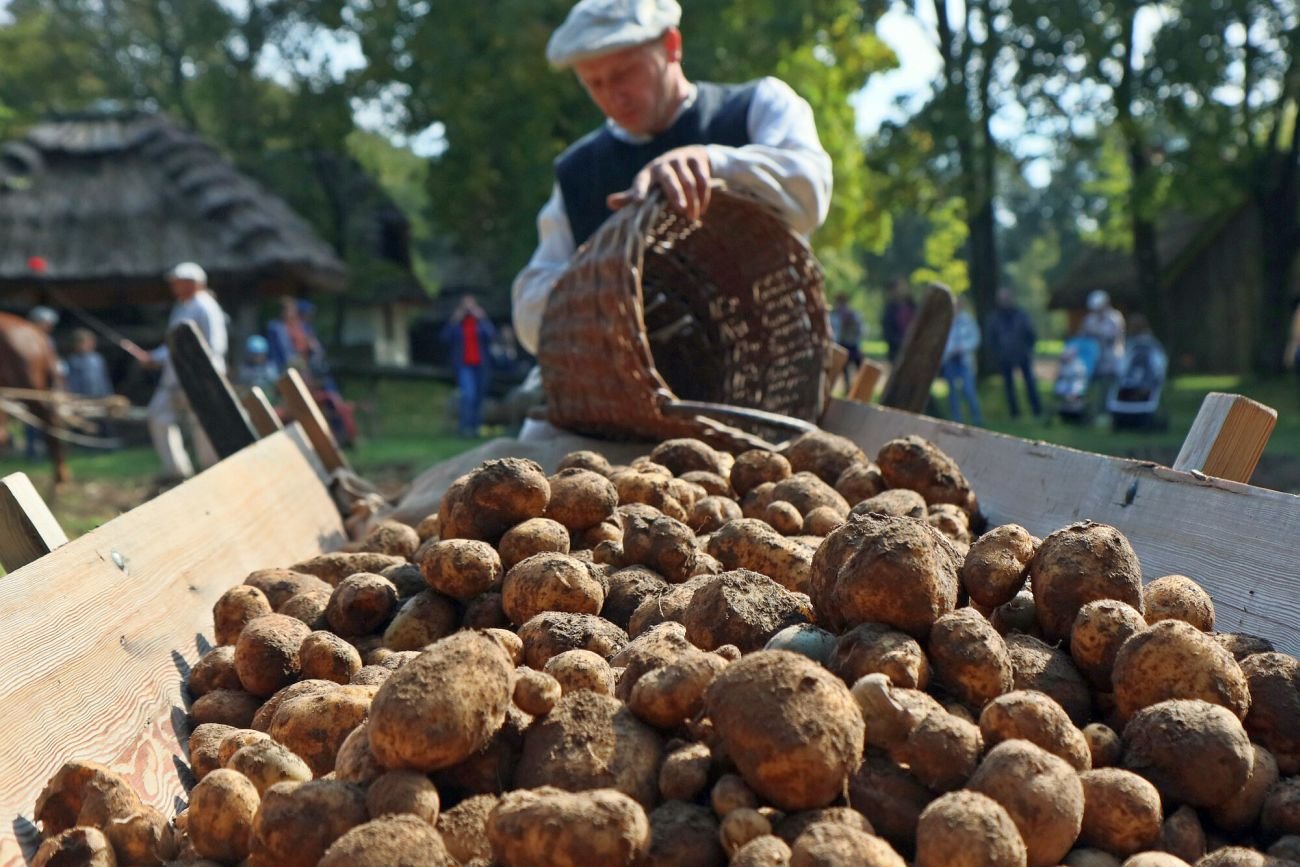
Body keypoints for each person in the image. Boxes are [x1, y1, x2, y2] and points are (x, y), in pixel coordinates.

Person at [511, 0, 833, 357]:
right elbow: (531, 310)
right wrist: (587, 289)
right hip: (630, 399)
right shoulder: (577, 171)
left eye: (623, 74)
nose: (612, 96)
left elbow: (810, 193)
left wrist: (714, 163)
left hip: (769, 372)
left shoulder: (757, 106)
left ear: (671, 46)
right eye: (594, 83)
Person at [122, 262, 227, 483]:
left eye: (178, 282)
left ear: (193, 283)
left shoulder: (205, 307)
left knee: (203, 423)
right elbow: (173, 344)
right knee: (159, 415)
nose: (174, 286)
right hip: (175, 377)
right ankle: (177, 471)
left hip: (199, 377)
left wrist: (198, 372)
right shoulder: (182, 307)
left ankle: (212, 470)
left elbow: (214, 346)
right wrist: (153, 358)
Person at [442, 295, 497, 437]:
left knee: (479, 397)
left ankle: (476, 427)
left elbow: (491, 335)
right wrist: (454, 320)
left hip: (481, 365)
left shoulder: (480, 323)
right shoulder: (458, 324)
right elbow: (445, 338)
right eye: (465, 306)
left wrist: (483, 318)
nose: (468, 309)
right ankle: (465, 427)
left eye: (471, 306)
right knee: (468, 395)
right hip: (464, 365)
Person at [984, 287, 1042, 419]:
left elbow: (1030, 334)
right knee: (1009, 386)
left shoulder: (1021, 315)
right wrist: (998, 353)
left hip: (1022, 354)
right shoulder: (994, 318)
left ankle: (1037, 409)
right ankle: (1014, 412)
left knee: (1030, 383)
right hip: (1005, 357)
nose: (1004, 301)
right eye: (1001, 298)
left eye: (1006, 298)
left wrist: (1027, 349)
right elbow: (991, 338)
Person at [1079, 289, 1125, 413]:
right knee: (1088, 386)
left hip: (1111, 359)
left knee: (1107, 387)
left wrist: (1095, 333)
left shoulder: (1115, 317)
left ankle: (1106, 412)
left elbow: (1113, 336)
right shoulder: (1089, 319)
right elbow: (1083, 336)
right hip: (1093, 360)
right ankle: (1086, 411)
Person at [940, 295, 983, 426]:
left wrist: (963, 347)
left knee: (969, 389)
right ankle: (956, 418)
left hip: (964, 359)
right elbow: (942, 341)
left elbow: (975, 338)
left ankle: (977, 418)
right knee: (952, 391)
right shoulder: (946, 321)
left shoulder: (967, 320)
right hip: (950, 359)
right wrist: (951, 349)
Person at [829, 294, 865, 390]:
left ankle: (860, 386)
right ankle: (848, 387)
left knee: (859, 367)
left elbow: (859, 330)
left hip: (852, 344)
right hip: (843, 344)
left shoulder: (852, 315)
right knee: (845, 369)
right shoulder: (835, 315)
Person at [881, 278, 917, 363]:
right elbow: (887, 328)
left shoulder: (912, 305)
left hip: (913, 346)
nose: (902, 289)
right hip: (896, 348)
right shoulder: (890, 308)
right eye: (900, 287)